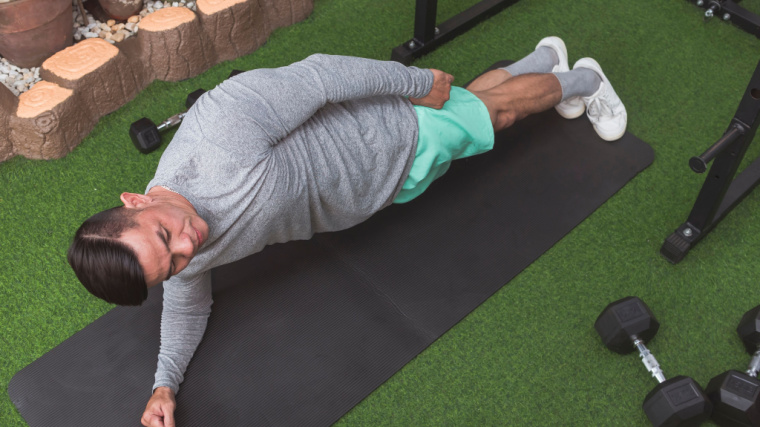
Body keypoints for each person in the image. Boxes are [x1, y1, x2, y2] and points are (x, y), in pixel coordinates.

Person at [67, 36, 626, 427]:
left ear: (135, 201)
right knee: (473, 107)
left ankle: (586, 80)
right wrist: (164, 384)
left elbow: (320, 76)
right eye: (174, 265)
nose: (190, 246)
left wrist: (412, 83)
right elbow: (186, 308)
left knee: (496, 116)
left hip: (393, 132)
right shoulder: (182, 257)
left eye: (166, 237)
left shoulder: (218, 131)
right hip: (379, 186)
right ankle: (545, 57)